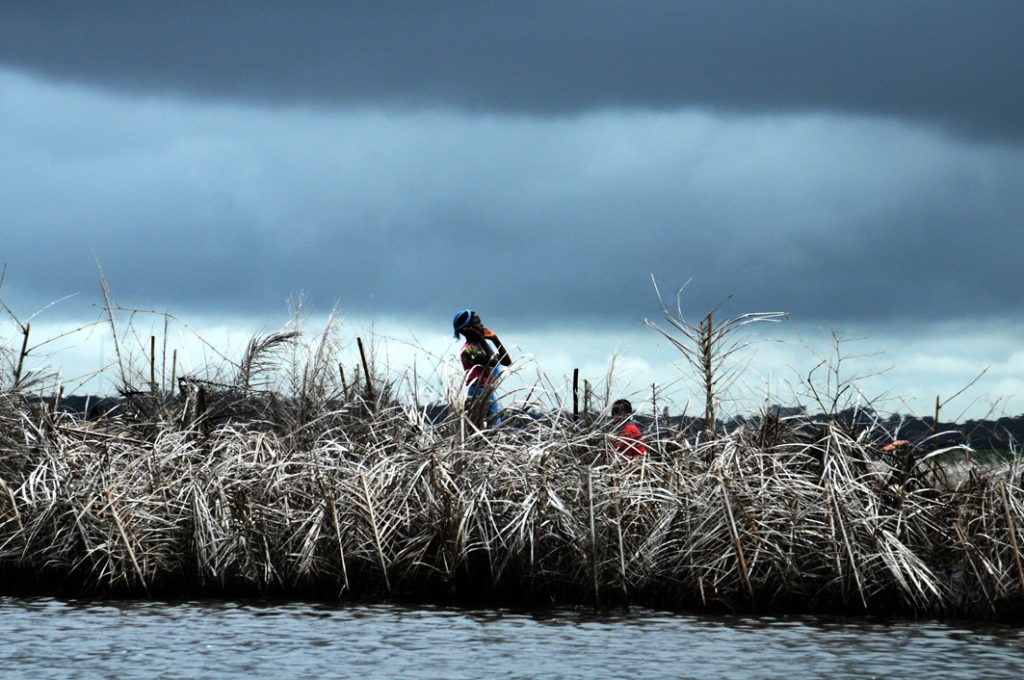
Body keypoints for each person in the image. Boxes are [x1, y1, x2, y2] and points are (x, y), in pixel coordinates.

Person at [452, 309, 512, 426]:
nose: (482, 325)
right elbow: (493, 362)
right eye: (477, 322)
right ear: (467, 329)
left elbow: (506, 361)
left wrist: (495, 339)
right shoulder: (468, 350)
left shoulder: (483, 346)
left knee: (494, 431)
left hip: (488, 395)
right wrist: (482, 340)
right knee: (489, 431)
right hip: (477, 397)